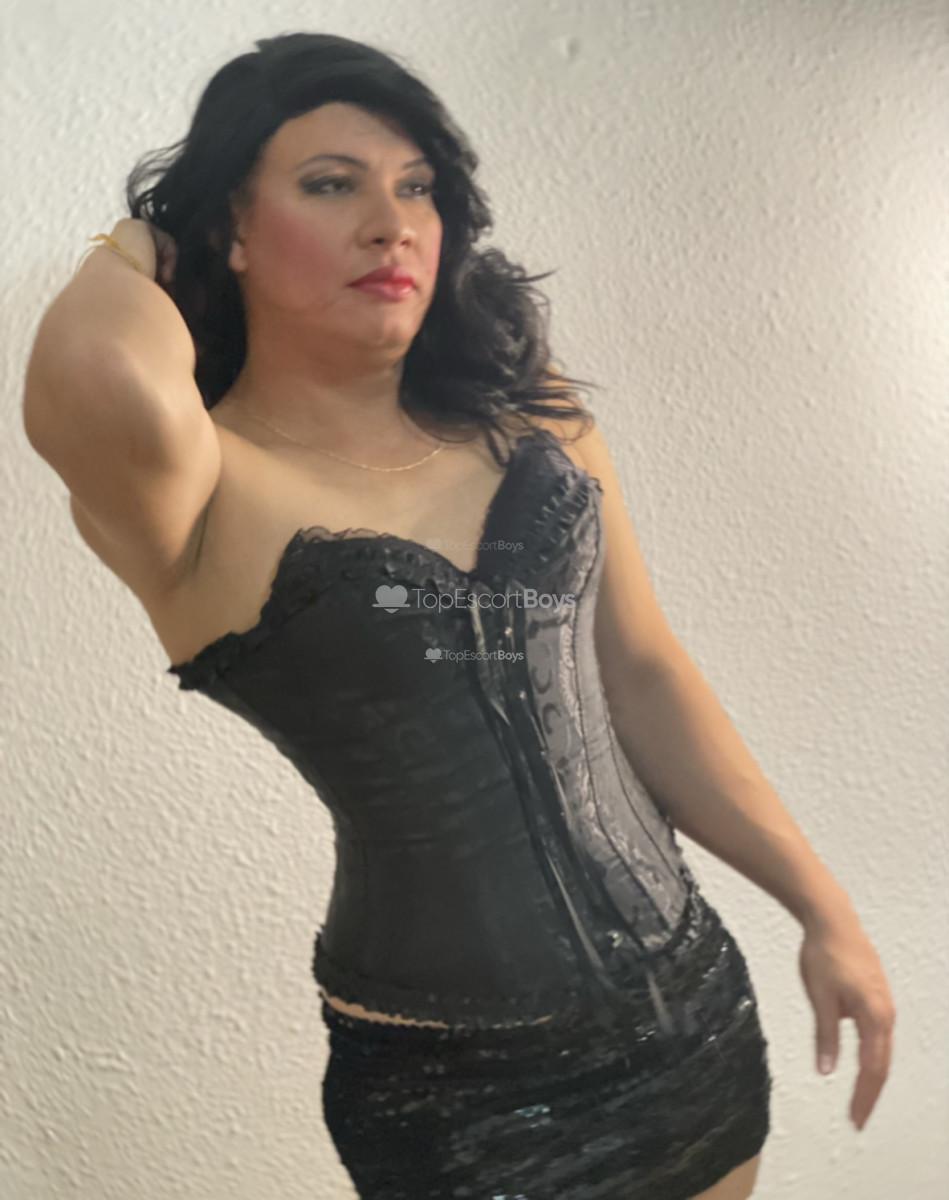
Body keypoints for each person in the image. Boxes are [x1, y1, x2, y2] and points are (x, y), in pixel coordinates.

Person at [23, 32, 894, 1200]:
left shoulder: (528, 416)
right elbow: (100, 369)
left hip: (689, 1015)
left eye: (417, 187)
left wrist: (823, 910)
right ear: (232, 225)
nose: (391, 225)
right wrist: (139, 242)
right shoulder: (197, 492)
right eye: (331, 184)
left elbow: (642, 672)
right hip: (451, 1086)